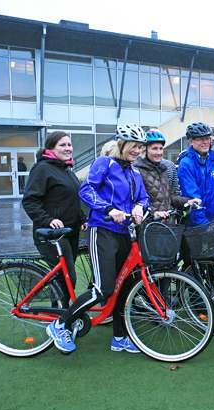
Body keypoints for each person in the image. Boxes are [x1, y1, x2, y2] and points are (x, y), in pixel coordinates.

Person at [46, 124, 150, 355]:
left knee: (124, 288)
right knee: (103, 287)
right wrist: (109, 209)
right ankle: (61, 323)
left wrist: (140, 208)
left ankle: (120, 338)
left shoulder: (134, 171)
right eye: (134, 146)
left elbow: (143, 197)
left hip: (126, 233)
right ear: (122, 144)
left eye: (140, 147)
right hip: (102, 230)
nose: (137, 151)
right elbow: (87, 191)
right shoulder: (105, 163)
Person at [22, 131, 84, 300]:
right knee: (67, 278)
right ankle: (61, 319)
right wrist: (48, 220)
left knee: (63, 278)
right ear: (51, 148)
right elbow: (30, 201)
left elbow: (70, 199)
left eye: (69, 144)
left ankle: (58, 313)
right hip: (51, 235)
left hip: (69, 232)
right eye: (62, 145)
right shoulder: (42, 168)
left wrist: (82, 219)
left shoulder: (67, 170)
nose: (68, 148)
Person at [134, 129, 198, 219]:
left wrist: (188, 201)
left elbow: (170, 197)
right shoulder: (136, 170)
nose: (159, 152)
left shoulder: (162, 169)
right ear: (145, 150)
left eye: (161, 148)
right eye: (154, 149)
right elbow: (134, 202)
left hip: (166, 223)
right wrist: (153, 213)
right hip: (148, 225)